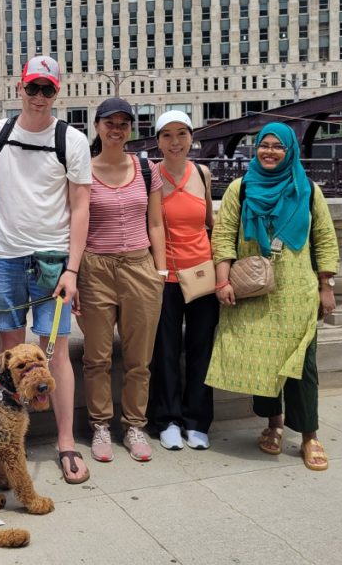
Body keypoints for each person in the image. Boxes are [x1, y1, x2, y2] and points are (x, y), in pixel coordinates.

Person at [0, 54, 93, 485]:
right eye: (33, 87)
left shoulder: (72, 140)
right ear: (19, 88)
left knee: (56, 353)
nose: (39, 97)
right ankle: (11, 446)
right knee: (12, 356)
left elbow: (81, 207)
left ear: (57, 93)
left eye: (48, 90)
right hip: (4, 257)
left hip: (52, 260)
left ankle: (64, 441)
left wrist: (72, 270)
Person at [206, 123, 338, 471]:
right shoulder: (241, 187)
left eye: (277, 147)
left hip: (297, 291)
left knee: (303, 366)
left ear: (290, 150)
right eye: (263, 145)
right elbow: (222, 237)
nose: (269, 152)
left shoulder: (307, 189)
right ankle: (273, 424)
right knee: (262, 359)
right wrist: (223, 282)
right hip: (254, 290)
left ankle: (309, 434)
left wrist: (326, 286)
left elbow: (324, 238)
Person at [78, 98, 166, 463]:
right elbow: (75, 225)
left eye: (123, 123)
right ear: (96, 126)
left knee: (139, 358)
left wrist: (160, 272)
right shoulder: (82, 169)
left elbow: (156, 223)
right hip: (95, 269)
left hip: (140, 267)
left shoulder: (147, 170)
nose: (116, 129)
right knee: (96, 356)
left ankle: (134, 425)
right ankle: (100, 424)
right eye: (109, 123)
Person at [147, 110, 221, 451]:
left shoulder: (203, 174)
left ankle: (197, 420)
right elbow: (155, 226)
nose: (175, 142)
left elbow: (210, 223)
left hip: (201, 272)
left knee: (201, 348)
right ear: (158, 140)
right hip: (167, 275)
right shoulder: (152, 175)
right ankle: (167, 419)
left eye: (181, 134)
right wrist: (161, 271)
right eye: (167, 135)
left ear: (192, 137)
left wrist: (222, 270)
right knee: (165, 350)